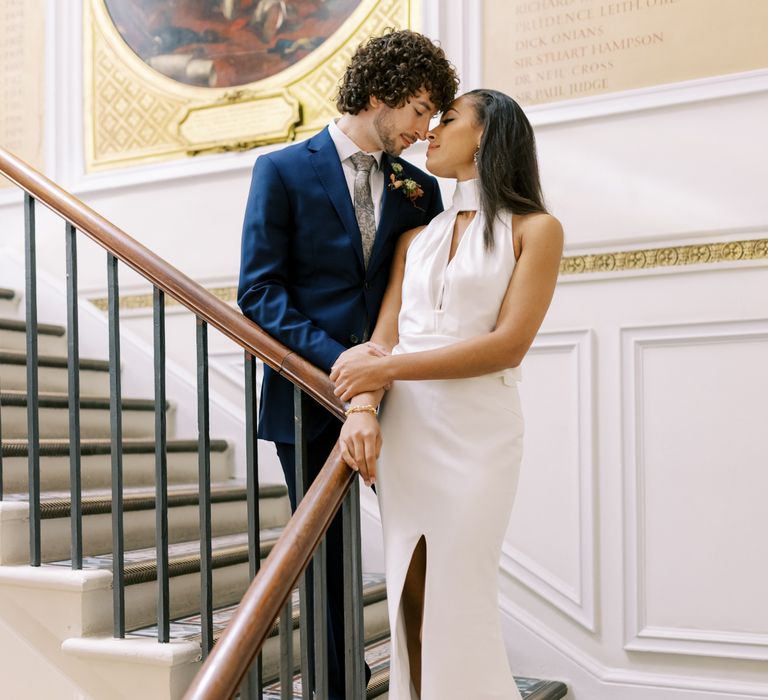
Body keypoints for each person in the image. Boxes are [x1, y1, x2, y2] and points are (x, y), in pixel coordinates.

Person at [237, 29, 458, 699]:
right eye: (419, 110)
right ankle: (340, 686)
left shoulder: (419, 188)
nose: (425, 130)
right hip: (306, 396)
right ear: (377, 94)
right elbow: (258, 292)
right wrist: (345, 364)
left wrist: (382, 377)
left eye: (433, 116)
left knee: (418, 545)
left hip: (400, 402)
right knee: (326, 560)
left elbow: (414, 292)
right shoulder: (280, 170)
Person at [329, 89, 564, 699]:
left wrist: (385, 374)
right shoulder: (416, 239)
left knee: (460, 589)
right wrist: (362, 408)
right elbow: (382, 341)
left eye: (449, 120)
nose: (430, 131)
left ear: (487, 135)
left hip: (479, 433)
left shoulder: (537, 230)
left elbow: (506, 346)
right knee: (410, 587)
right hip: (408, 435)